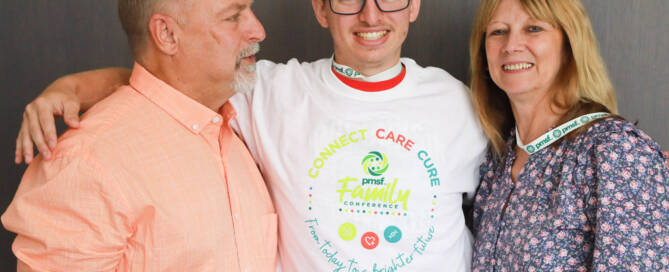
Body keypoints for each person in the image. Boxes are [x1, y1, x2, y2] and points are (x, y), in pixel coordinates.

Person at [12, 0, 489, 271]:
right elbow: (163, 85)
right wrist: (72, 88)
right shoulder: (268, 92)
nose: (370, 14)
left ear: (415, 6)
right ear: (321, 9)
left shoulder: (463, 104)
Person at [2, 0, 278, 270]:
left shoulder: (237, 127)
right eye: (232, 17)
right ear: (167, 34)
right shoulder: (86, 162)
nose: (258, 31)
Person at [468, 0, 669, 271]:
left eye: (534, 28)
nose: (511, 45)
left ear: (569, 45)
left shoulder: (614, 152)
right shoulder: (496, 163)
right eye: (498, 31)